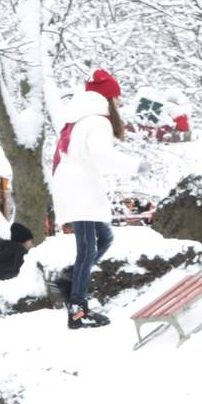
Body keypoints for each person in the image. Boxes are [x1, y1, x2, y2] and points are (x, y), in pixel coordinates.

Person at [49, 68, 139, 329]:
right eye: (117, 96)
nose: (119, 102)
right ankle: (78, 311)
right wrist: (135, 166)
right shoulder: (97, 121)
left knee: (104, 239)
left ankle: (70, 277)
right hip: (80, 189)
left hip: (74, 186)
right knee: (87, 248)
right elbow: (102, 155)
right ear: (107, 98)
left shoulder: (79, 118)